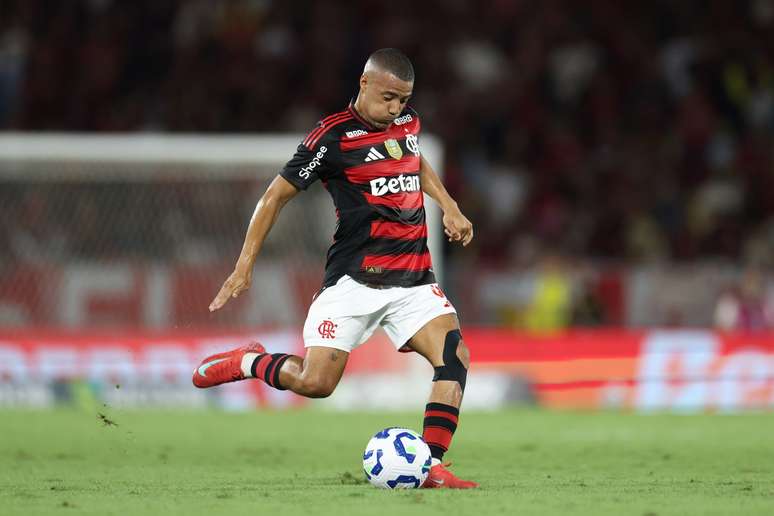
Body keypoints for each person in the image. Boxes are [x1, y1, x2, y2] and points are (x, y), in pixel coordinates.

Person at [192, 48, 477, 488]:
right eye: (388, 98)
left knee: (454, 356)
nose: (397, 109)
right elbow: (274, 197)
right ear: (364, 84)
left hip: (414, 280)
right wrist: (244, 264)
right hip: (354, 282)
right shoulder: (331, 138)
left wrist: (449, 206)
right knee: (316, 383)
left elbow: (413, 157)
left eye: (403, 100)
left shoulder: (406, 122)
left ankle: (430, 464)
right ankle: (248, 361)